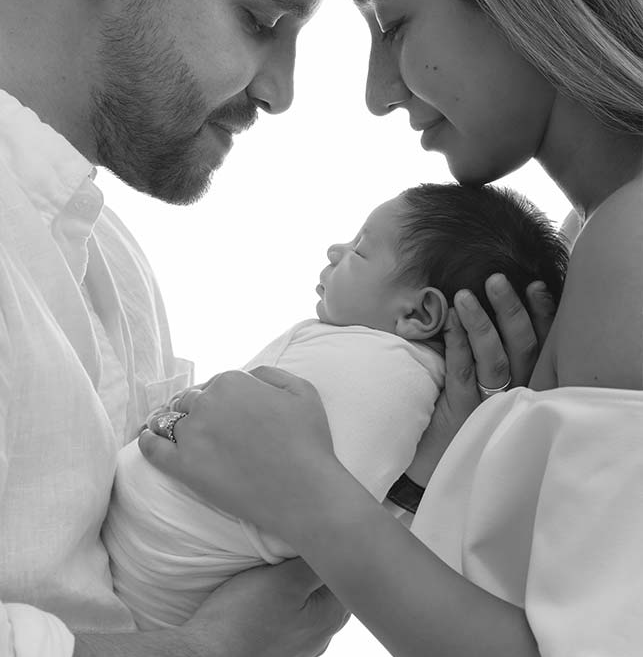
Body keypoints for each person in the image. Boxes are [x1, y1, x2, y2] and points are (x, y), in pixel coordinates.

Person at [140, 0, 643, 657]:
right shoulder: (592, 242)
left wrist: (312, 498)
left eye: (390, 22)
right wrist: (438, 465)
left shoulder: (630, 243)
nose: (379, 93)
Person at [0, 0, 369, 657]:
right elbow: (191, 650)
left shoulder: (111, 266)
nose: (279, 90)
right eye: (260, 20)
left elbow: (149, 591)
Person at [105, 183, 568, 630]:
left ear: (418, 314)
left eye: (360, 250)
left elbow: (328, 518)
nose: (335, 250)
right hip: (149, 569)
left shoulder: (389, 373)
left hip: (161, 573)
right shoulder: (372, 359)